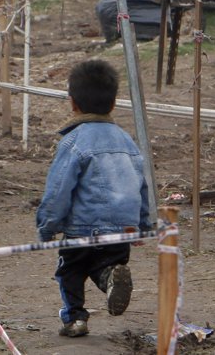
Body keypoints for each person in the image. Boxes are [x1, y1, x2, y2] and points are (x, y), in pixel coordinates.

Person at [36, 59, 152, 338]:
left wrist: (48, 225)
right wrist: (143, 225)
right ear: (113, 104)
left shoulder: (74, 142)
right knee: (104, 265)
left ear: (72, 102)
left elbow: (59, 189)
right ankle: (110, 276)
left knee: (70, 272)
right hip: (122, 229)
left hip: (82, 228)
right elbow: (142, 186)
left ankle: (75, 318)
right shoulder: (128, 142)